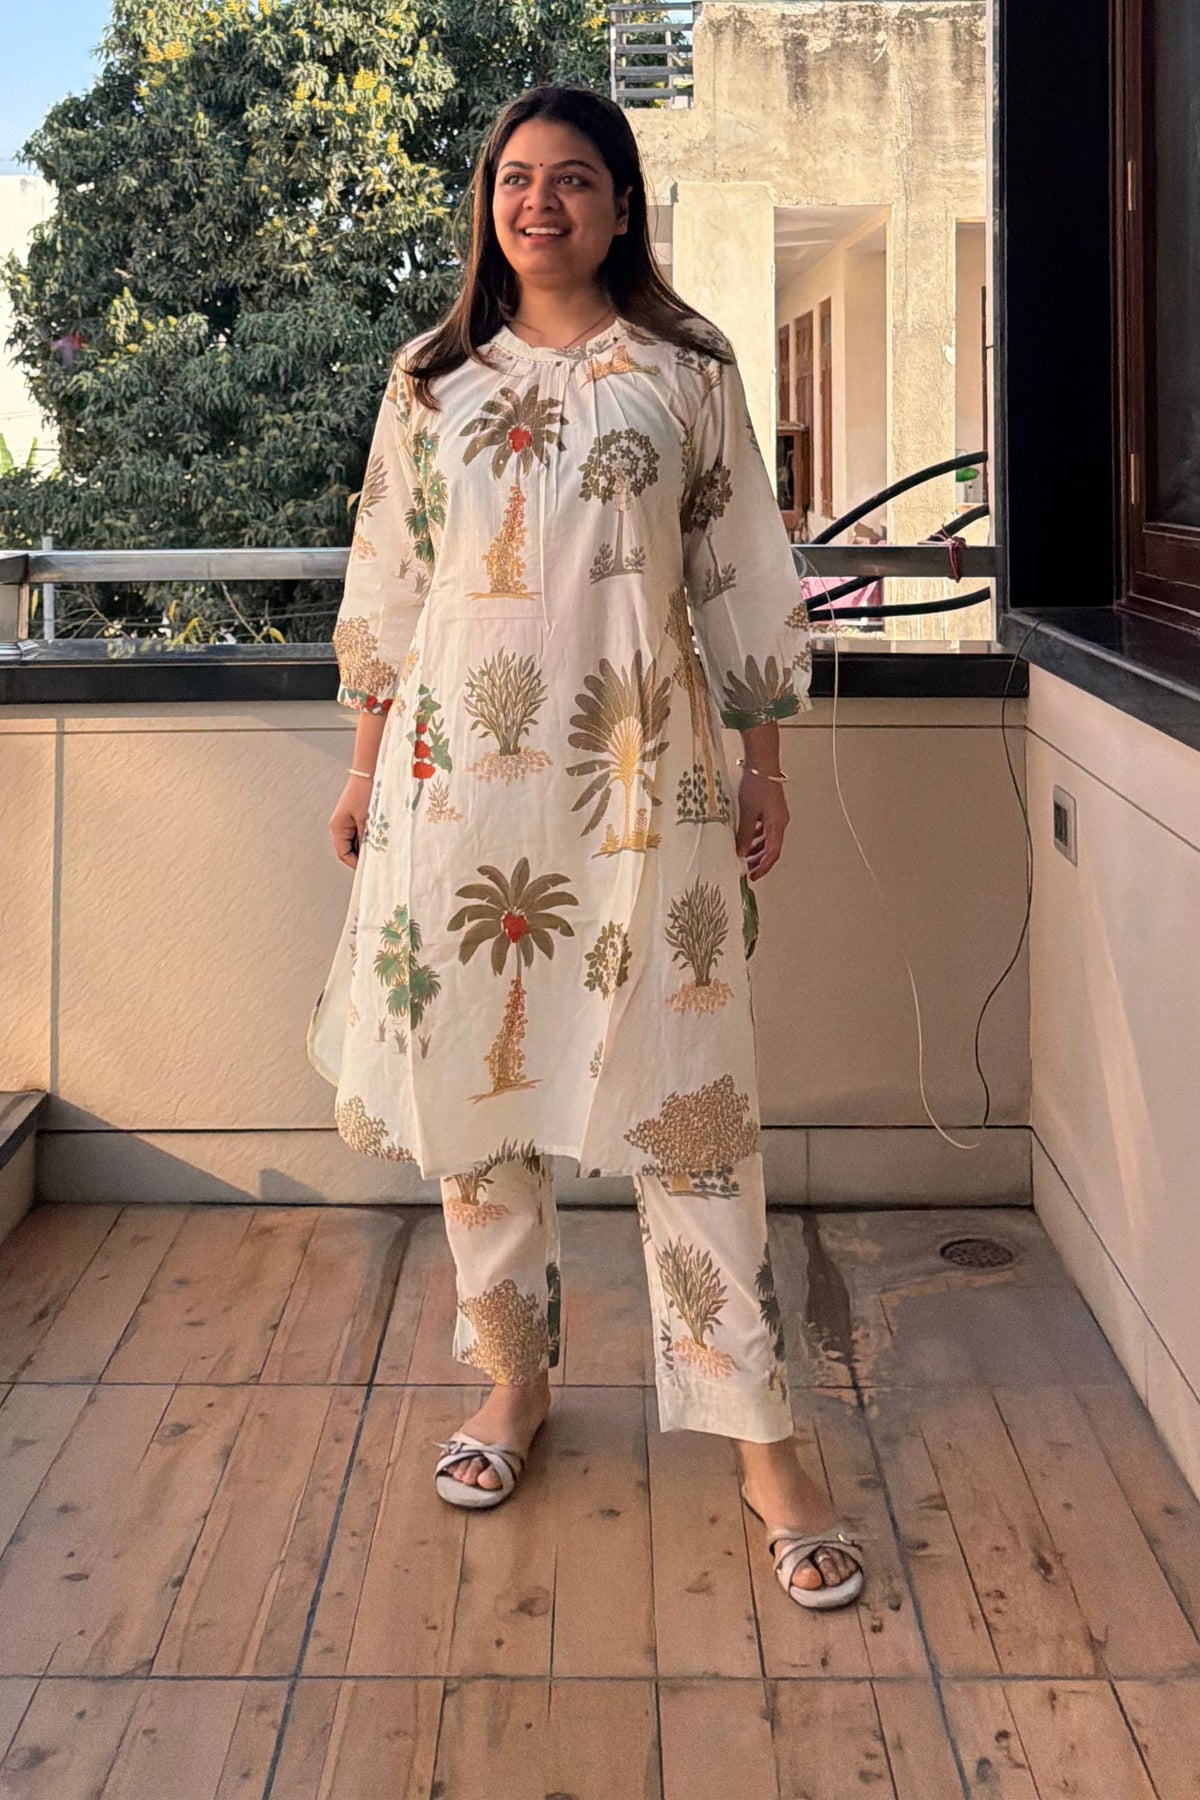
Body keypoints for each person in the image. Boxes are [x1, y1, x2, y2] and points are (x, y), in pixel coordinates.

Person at [307, 82, 866, 1611]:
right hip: (455, 799)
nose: (536, 202)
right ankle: (515, 1384)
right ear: (485, 204)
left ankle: (760, 1438)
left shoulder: (686, 372)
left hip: (646, 796)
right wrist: (362, 770)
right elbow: (389, 581)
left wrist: (763, 760)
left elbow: (741, 570)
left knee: (690, 1108)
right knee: (474, 1104)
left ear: (621, 208)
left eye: (570, 179)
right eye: (513, 178)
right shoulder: (432, 378)